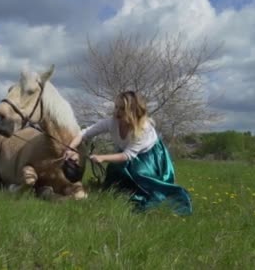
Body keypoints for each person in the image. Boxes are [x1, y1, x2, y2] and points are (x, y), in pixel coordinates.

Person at [63, 91, 192, 215]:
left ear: (133, 111)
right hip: (127, 152)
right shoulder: (111, 122)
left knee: (140, 175)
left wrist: (102, 157)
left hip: (149, 155)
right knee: (115, 173)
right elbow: (85, 133)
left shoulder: (143, 129)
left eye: (122, 108)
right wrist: (70, 148)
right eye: (116, 107)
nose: (117, 112)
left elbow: (127, 156)